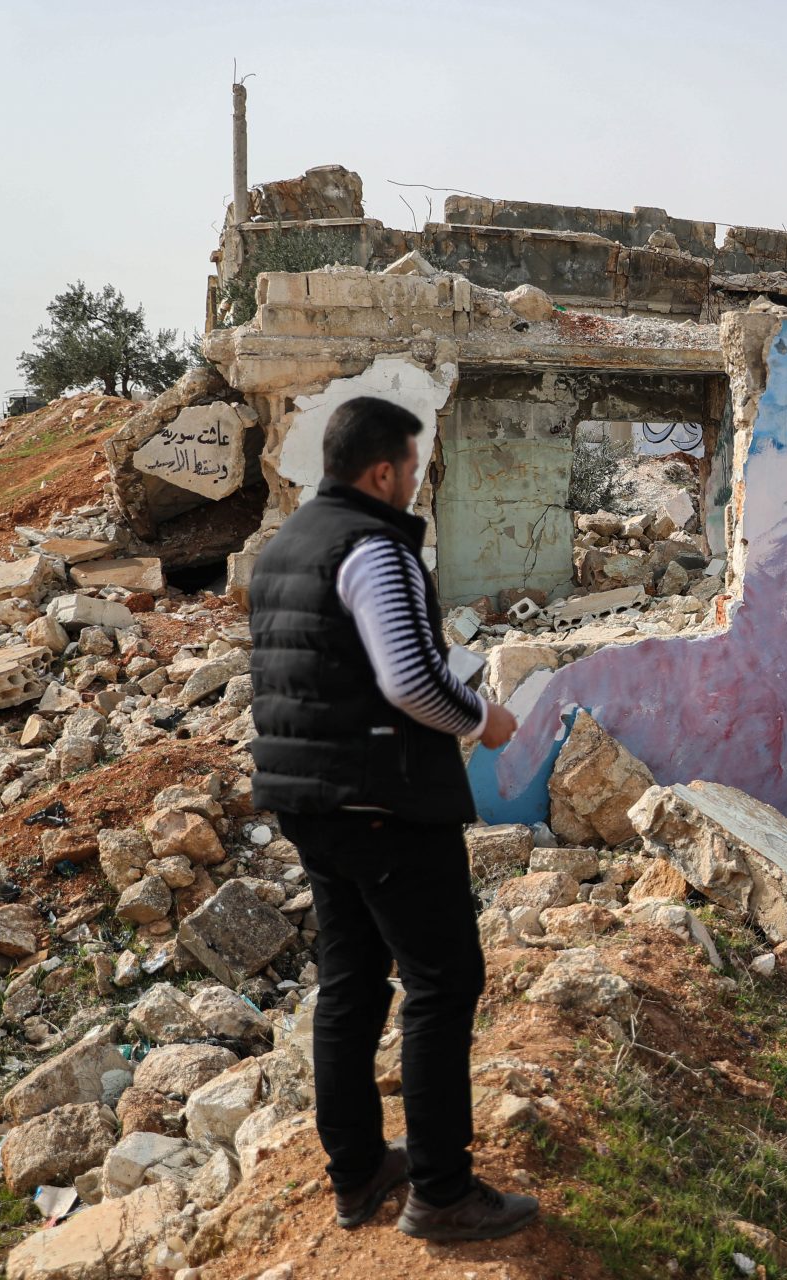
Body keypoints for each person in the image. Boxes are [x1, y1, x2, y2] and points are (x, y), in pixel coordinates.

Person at [248, 396, 539, 1242]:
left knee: (348, 985)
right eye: (413, 467)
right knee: (443, 985)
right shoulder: (375, 548)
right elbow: (408, 679)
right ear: (382, 472)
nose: (418, 481)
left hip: (309, 799)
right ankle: (442, 1193)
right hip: (384, 803)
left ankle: (357, 1171)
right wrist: (483, 716)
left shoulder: (286, 547)